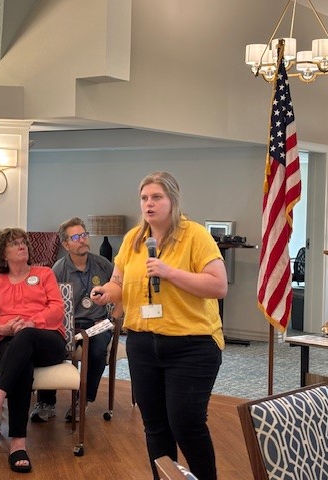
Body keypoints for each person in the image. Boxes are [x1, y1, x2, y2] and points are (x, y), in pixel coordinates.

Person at [91, 171, 227, 480]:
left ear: (172, 201)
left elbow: (218, 286)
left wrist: (169, 272)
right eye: (144, 198)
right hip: (143, 343)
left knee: (186, 424)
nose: (149, 204)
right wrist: (105, 293)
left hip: (192, 345)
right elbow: (118, 283)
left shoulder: (195, 236)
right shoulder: (133, 239)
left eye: (156, 197)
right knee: (155, 426)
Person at [0, 228, 66, 473]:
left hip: (47, 339)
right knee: (22, 364)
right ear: (3, 254)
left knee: (26, 337)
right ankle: (18, 445)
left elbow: (57, 309)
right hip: (9, 342)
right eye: (14, 244)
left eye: (23, 242)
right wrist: (3, 328)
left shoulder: (44, 274)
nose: (22, 246)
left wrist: (32, 323)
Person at [31, 217, 122, 423]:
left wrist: (112, 320)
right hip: (67, 324)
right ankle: (46, 403)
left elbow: (122, 292)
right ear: (66, 244)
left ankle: (83, 400)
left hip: (97, 324)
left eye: (84, 235)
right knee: (49, 346)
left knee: (97, 349)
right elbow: (47, 303)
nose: (82, 240)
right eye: (76, 237)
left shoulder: (103, 264)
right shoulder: (58, 269)